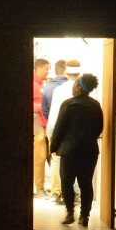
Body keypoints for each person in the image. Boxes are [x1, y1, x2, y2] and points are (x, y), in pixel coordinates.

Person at [50, 73, 103, 227]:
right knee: (86, 183)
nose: (73, 86)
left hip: (69, 151)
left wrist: (53, 147)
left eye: (74, 84)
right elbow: (99, 127)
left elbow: (59, 128)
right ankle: (84, 216)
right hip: (89, 151)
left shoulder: (68, 104)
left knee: (66, 182)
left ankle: (69, 212)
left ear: (79, 87)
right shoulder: (95, 105)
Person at [45, 60, 81, 204]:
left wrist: (51, 134)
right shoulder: (87, 90)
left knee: (60, 163)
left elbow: (54, 115)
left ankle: (62, 194)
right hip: (81, 134)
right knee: (79, 164)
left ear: (66, 71)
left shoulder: (59, 90)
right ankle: (76, 194)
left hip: (63, 133)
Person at [32, 58, 50, 197]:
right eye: (46, 69)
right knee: (40, 154)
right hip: (36, 123)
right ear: (38, 68)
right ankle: (39, 187)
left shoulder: (44, 84)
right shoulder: (31, 83)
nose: (47, 72)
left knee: (46, 154)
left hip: (44, 122)